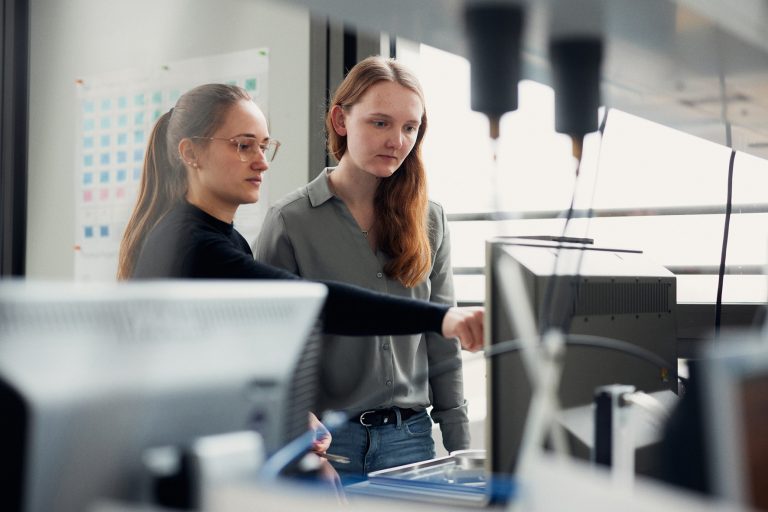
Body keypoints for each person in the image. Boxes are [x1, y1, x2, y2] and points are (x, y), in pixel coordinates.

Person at [116, 82, 483, 465]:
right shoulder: (193, 246)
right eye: (244, 145)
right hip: (182, 460)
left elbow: (250, 357)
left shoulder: (220, 239)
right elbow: (313, 302)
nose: (261, 161)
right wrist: (442, 318)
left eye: (263, 145)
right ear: (191, 153)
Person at [255, 56, 469, 482]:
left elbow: (442, 342)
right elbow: (269, 346)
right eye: (380, 123)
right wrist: (302, 437)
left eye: (410, 128)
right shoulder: (291, 221)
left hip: (412, 439)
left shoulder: (431, 219)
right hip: (329, 445)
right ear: (340, 120)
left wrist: (465, 449)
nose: (397, 140)